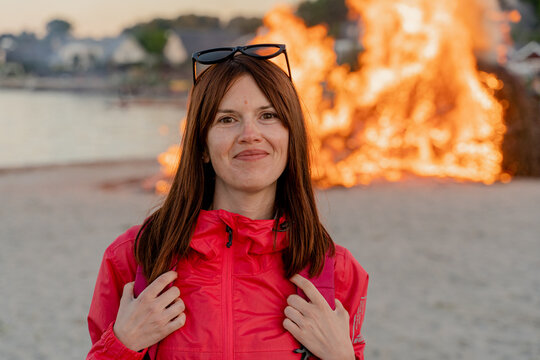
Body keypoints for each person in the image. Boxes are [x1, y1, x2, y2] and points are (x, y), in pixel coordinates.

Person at [87, 44, 368, 360]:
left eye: (268, 115)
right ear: (202, 146)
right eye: (227, 119)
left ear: (292, 138)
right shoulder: (133, 257)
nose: (250, 133)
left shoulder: (335, 270)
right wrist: (121, 346)